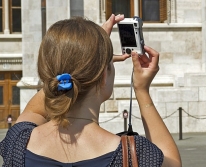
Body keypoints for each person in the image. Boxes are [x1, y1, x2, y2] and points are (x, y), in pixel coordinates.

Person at [0, 14, 182, 167]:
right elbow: (172, 161)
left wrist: (88, 55)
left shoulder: (18, 142)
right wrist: (142, 90)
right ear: (104, 76)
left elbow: (33, 110)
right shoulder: (136, 155)